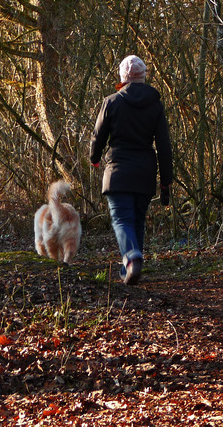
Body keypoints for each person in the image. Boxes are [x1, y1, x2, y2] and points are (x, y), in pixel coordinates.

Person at [89, 55, 173, 285]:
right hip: (145, 172)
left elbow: (98, 136)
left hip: (118, 172)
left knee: (121, 219)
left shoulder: (112, 102)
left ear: (122, 78)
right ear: (143, 77)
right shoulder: (155, 105)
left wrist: (94, 158)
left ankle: (132, 259)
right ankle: (133, 266)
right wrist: (166, 180)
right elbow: (164, 145)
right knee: (137, 220)